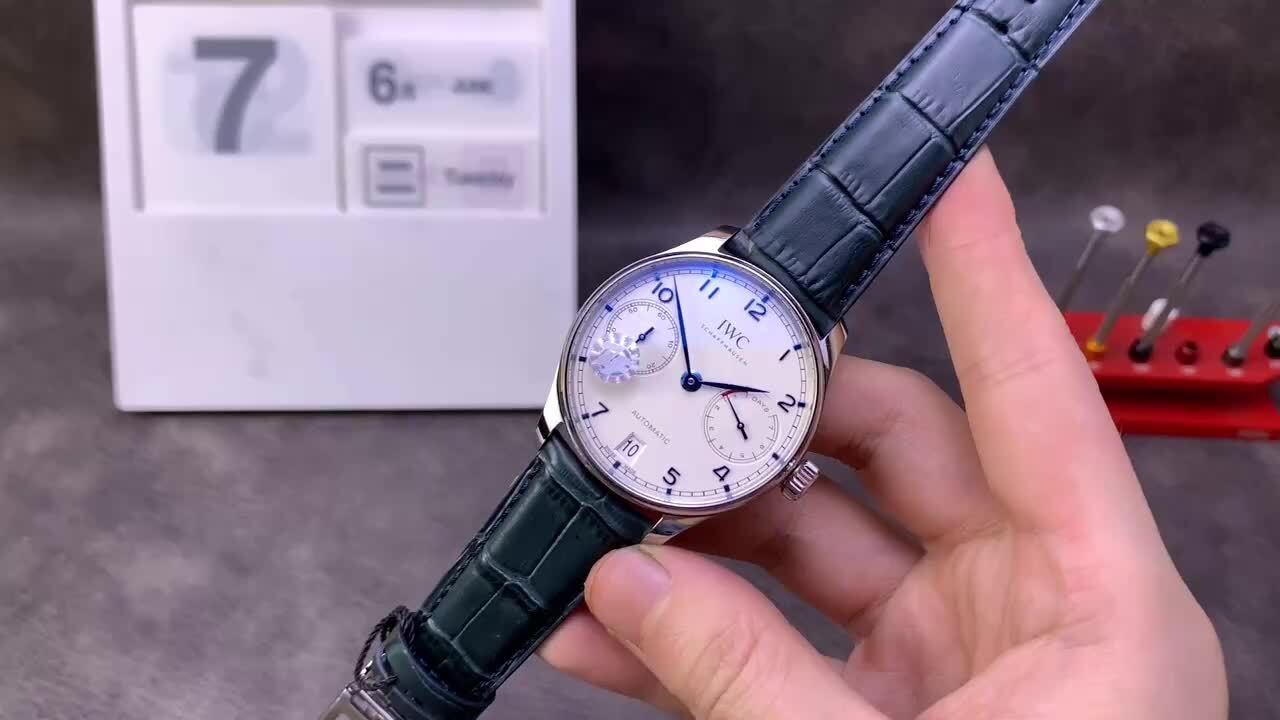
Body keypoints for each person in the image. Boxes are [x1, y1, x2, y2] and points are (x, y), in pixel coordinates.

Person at [538, 149, 1229, 719]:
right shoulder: (702, 278)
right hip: (582, 424)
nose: (691, 382)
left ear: (789, 466)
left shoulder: (779, 397)